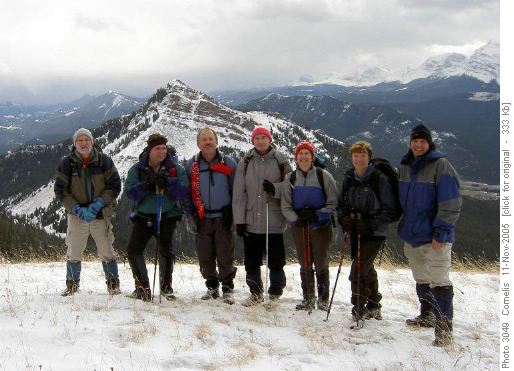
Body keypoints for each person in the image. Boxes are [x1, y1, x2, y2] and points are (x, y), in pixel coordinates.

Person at [398, 124, 461, 346]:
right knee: (422, 279)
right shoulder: (405, 165)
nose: (418, 144)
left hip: (435, 238)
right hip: (413, 235)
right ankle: (427, 315)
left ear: (429, 143)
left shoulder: (441, 165)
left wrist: (441, 232)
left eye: (422, 141)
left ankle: (444, 332)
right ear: (410, 143)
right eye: (415, 141)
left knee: (440, 282)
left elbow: (451, 203)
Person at [54, 128, 122, 296]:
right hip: (77, 215)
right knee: (74, 250)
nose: (83, 143)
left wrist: (99, 203)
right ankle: (71, 286)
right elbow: (60, 190)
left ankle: (113, 285)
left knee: (106, 250)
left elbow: (115, 186)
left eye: (86, 140)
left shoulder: (104, 161)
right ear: (75, 144)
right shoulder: (67, 164)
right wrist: (76, 208)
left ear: (92, 142)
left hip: (100, 214)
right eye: (80, 140)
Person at [337, 141, 398, 323]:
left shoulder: (379, 179)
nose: (359, 159)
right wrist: (344, 219)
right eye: (356, 156)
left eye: (362, 155)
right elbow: (340, 205)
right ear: (352, 157)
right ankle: (373, 305)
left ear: (369, 157)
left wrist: (371, 224)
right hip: (356, 230)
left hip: (375, 232)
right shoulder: (349, 177)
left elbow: (390, 209)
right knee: (367, 268)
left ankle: (359, 308)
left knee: (357, 270)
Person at [232, 126, 292, 306]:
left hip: (273, 219)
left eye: (263, 138)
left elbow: (290, 187)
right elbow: (239, 193)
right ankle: (255, 293)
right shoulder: (246, 162)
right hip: (251, 220)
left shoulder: (281, 161)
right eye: (257, 138)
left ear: (270, 139)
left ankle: (275, 292)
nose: (260, 141)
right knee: (251, 261)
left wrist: (276, 189)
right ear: (252, 141)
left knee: (275, 261)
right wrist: (239, 221)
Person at [125, 133, 188, 301]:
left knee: (166, 251)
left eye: (164, 148)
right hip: (143, 216)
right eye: (158, 148)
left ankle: (166, 288)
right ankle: (142, 288)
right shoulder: (138, 169)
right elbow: (130, 192)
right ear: (150, 150)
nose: (162, 152)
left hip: (167, 215)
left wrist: (168, 181)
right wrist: (147, 185)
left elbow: (182, 191)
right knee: (134, 250)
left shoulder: (174, 168)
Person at [281, 140, 338, 311]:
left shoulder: (324, 176)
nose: (303, 157)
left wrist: (317, 215)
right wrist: (295, 219)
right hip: (299, 227)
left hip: (320, 226)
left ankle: (322, 299)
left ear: (312, 157)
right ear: (296, 158)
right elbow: (285, 205)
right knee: (305, 262)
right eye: (300, 154)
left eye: (307, 154)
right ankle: (308, 298)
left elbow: (333, 202)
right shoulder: (290, 179)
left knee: (320, 261)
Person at [185, 127, 238, 304]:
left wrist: (235, 216)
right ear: (198, 144)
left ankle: (227, 288)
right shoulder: (192, 165)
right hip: (201, 217)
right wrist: (190, 216)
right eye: (204, 139)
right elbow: (187, 194)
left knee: (225, 254)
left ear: (216, 141)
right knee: (205, 255)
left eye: (210, 139)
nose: (208, 142)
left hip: (223, 217)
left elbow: (237, 191)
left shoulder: (228, 163)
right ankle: (212, 287)